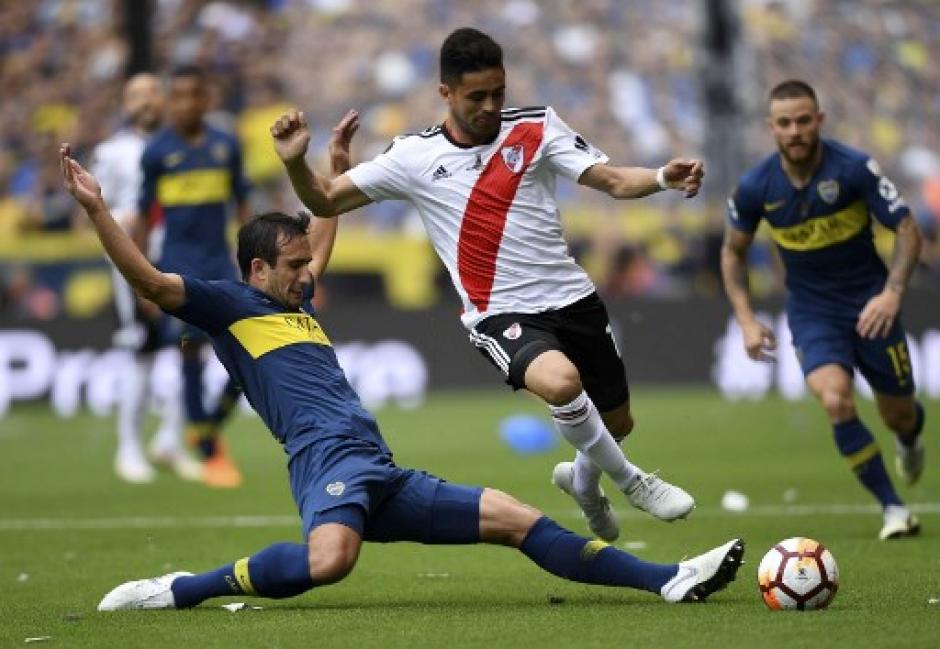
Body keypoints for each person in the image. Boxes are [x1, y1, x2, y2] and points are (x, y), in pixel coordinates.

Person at [58, 141, 744, 612]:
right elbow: (149, 281)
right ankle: (184, 588)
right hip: (326, 460)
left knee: (515, 516)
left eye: (306, 263)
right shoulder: (228, 306)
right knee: (330, 561)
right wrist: (96, 208)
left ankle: (670, 579)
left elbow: (320, 233)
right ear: (257, 270)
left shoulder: (298, 298)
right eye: (293, 266)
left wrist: (331, 170)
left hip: (379, 465)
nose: (309, 273)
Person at [271, 27, 705, 542]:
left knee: (618, 423)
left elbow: (611, 181)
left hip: (573, 297)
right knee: (562, 384)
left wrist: (660, 177)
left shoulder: (538, 129)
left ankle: (585, 485)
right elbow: (324, 201)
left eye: (498, 93)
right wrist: (296, 160)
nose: (490, 106)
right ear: (445, 94)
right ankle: (634, 483)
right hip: (499, 312)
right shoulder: (413, 156)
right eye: (476, 96)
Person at [721, 80, 926, 541]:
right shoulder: (756, 187)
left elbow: (908, 229)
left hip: (872, 306)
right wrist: (747, 319)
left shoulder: (854, 169)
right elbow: (732, 253)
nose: (795, 130)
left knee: (899, 414)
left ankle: (910, 437)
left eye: (803, 120)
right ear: (771, 127)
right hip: (813, 311)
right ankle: (893, 507)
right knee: (835, 399)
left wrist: (892, 292)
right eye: (785, 122)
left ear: (820, 120)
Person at [139, 65, 252, 487]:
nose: (187, 103)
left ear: (207, 99)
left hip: (221, 266)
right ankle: (209, 452)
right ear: (171, 100)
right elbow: (142, 220)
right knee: (190, 353)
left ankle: (206, 428)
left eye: (195, 95)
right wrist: (143, 281)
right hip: (176, 270)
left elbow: (242, 205)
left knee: (247, 348)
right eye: (179, 95)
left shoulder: (226, 146)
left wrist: (254, 259)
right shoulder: (156, 153)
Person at [91, 72, 201, 484]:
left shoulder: (183, 146)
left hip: (183, 258)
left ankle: (170, 440)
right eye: (137, 95)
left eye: (153, 93)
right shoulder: (113, 153)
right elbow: (99, 212)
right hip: (137, 265)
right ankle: (129, 448)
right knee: (143, 352)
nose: (146, 102)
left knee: (192, 347)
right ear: (126, 104)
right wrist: (131, 262)